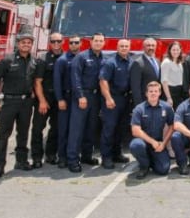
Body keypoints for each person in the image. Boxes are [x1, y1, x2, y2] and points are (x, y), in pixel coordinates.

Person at [0, 29, 37, 179]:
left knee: (23, 134)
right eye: (23, 42)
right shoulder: (7, 60)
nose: (26, 45)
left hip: (26, 103)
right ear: (18, 44)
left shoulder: (34, 61)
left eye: (29, 43)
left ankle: (21, 162)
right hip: (10, 102)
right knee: (3, 135)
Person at [67, 32, 106, 173]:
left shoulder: (102, 58)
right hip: (83, 97)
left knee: (91, 129)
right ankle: (72, 160)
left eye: (101, 41)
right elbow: (75, 78)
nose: (98, 43)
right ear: (91, 42)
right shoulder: (81, 57)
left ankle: (87, 156)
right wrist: (80, 96)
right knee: (76, 130)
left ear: (104, 43)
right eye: (96, 40)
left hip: (95, 98)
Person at [98, 39, 133, 169]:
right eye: (122, 46)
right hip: (112, 99)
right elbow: (103, 81)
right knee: (109, 128)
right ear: (117, 48)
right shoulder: (110, 62)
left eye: (126, 46)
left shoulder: (131, 61)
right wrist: (108, 98)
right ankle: (106, 157)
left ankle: (117, 154)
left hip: (125, 99)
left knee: (121, 128)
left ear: (129, 48)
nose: (124, 48)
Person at [31, 32, 63, 167]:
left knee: (55, 128)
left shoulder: (66, 58)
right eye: (53, 41)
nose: (56, 44)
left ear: (62, 42)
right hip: (44, 98)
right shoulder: (43, 59)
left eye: (58, 41)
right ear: (49, 42)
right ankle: (37, 157)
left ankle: (51, 155)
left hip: (59, 99)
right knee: (38, 129)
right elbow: (37, 82)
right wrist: (42, 101)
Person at [130, 81, 174, 179]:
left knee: (164, 170)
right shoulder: (139, 109)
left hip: (158, 142)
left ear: (160, 93)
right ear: (146, 94)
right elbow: (135, 130)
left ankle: (151, 160)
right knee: (136, 145)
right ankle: (144, 166)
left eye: (155, 91)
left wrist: (164, 143)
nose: (153, 93)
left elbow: (172, 126)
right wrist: (152, 141)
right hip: (143, 141)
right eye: (150, 91)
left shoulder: (166, 107)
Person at [53, 34, 82, 168]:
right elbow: (57, 82)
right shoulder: (62, 60)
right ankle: (62, 157)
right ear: (67, 44)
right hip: (66, 98)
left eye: (76, 43)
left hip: (78, 99)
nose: (74, 45)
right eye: (71, 43)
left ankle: (75, 154)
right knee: (63, 129)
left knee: (75, 129)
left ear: (81, 44)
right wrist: (60, 99)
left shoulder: (82, 58)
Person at [131, 37, 162, 107]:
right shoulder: (138, 63)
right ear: (143, 47)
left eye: (153, 45)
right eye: (148, 45)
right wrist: (139, 106)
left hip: (156, 100)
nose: (151, 47)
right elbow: (135, 87)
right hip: (144, 101)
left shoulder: (157, 61)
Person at [161, 41, 185, 108]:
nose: (175, 52)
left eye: (177, 50)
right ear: (170, 50)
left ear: (180, 50)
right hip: (170, 92)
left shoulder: (179, 62)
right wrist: (169, 98)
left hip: (178, 92)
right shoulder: (166, 62)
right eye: (173, 50)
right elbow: (164, 81)